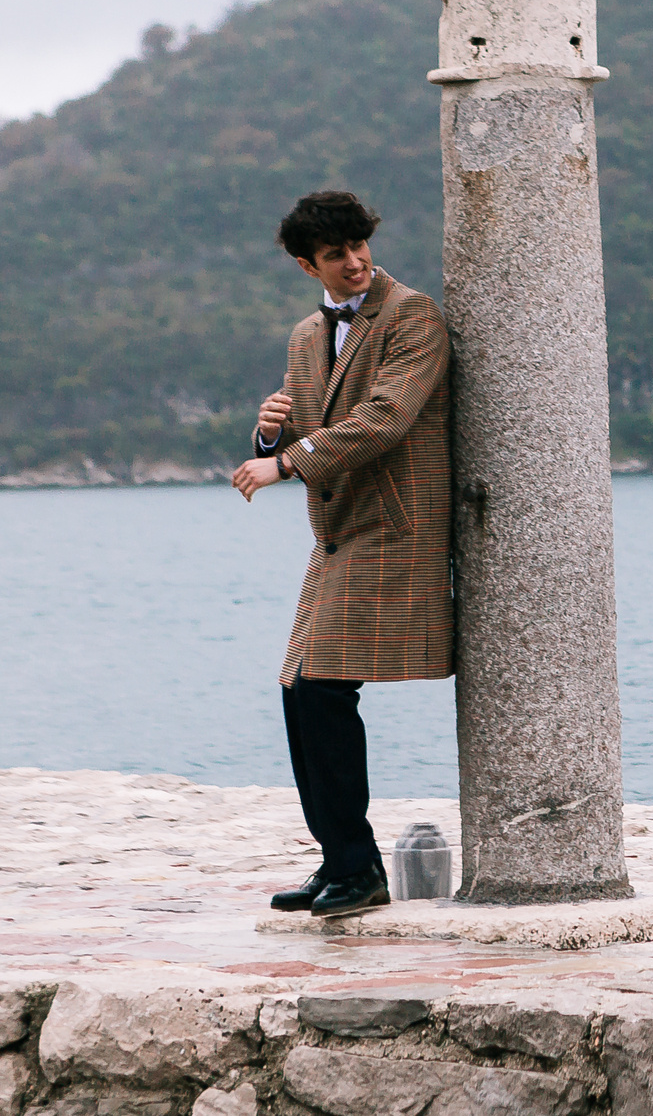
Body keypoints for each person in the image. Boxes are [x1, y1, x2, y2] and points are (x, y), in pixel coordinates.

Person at [228, 190, 452, 920]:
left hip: (395, 527)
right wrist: (269, 437)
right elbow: (309, 421)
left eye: (360, 246)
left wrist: (284, 463)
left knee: (320, 689)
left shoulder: (413, 314)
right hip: (337, 533)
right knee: (303, 691)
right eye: (335, 254)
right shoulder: (303, 336)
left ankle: (357, 868)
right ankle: (342, 862)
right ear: (306, 264)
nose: (354, 262)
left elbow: (385, 419)